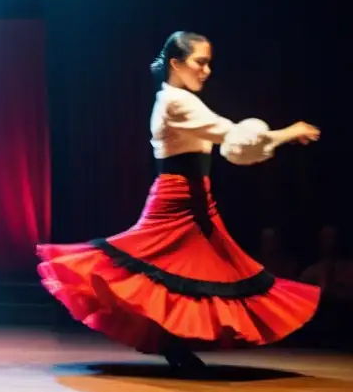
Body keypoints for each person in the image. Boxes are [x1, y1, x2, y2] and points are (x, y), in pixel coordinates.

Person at [37, 31, 321, 372]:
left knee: (207, 269)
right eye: (199, 62)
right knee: (170, 269)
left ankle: (173, 343)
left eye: (208, 64)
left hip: (194, 197)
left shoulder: (179, 98)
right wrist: (288, 133)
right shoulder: (176, 101)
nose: (206, 70)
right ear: (176, 63)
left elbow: (232, 142)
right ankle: (173, 344)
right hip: (178, 198)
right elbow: (231, 135)